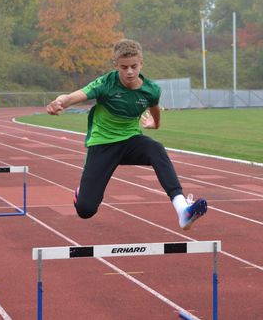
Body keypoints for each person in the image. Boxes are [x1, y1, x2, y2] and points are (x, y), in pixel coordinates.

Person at [46, 39, 208, 230]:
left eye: (133, 66)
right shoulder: (106, 84)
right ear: (116, 66)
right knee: (86, 210)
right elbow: (75, 96)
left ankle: (182, 209)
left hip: (130, 141)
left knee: (156, 148)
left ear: (141, 64)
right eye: (124, 67)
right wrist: (60, 102)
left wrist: (154, 124)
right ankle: (82, 193)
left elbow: (155, 110)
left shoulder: (151, 90)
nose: (129, 71)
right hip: (102, 144)